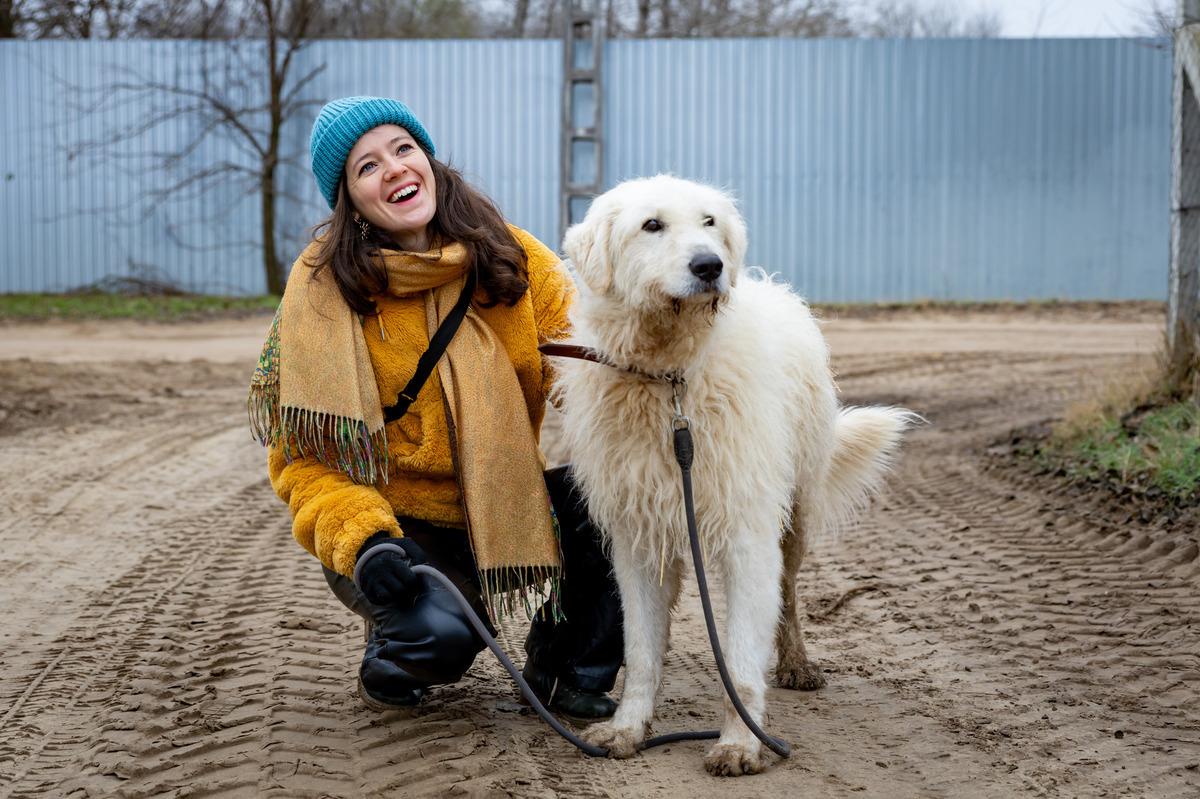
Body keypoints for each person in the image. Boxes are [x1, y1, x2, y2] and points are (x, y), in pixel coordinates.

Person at [248, 96, 622, 718]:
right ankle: (396, 651)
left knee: (615, 499)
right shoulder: (321, 295)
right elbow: (305, 462)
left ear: (427, 159)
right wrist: (366, 543)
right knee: (440, 636)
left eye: (403, 148)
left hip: (501, 500)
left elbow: (587, 369)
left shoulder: (512, 256)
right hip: (395, 529)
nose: (394, 168)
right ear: (349, 201)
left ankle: (566, 671)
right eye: (367, 166)